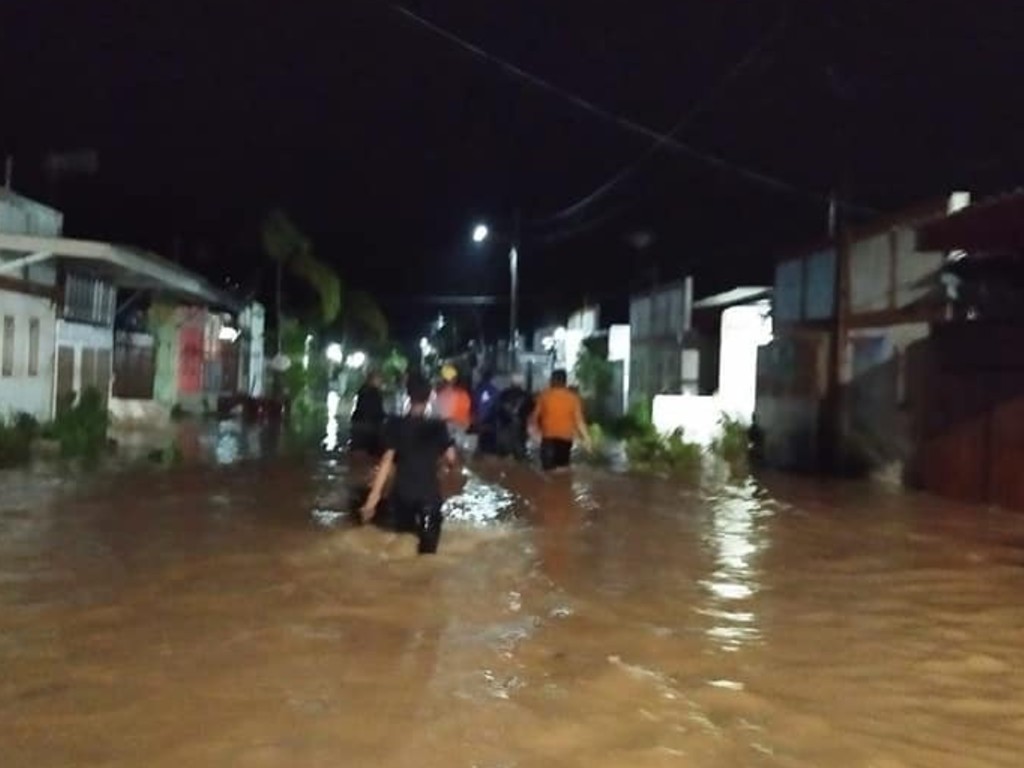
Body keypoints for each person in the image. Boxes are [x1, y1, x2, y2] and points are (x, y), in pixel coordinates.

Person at [360, 374, 460, 554]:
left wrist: (372, 500)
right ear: (429, 396)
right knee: (428, 558)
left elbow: (386, 461)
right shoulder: (438, 427)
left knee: (400, 549)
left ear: (408, 395)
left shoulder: (394, 425)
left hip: (402, 497)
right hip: (429, 498)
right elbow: (451, 459)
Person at [530, 368, 592, 471]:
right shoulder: (573, 398)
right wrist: (587, 439)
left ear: (552, 380)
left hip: (548, 438)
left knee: (547, 472)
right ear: (565, 382)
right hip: (565, 440)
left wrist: (534, 434)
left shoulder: (544, 396)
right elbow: (579, 421)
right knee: (562, 471)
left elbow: (534, 418)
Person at [495, 373, 532, 460]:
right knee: (519, 457)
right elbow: (531, 413)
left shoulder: (503, 394)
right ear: (522, 383)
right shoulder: (526, 396)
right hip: (520, 431)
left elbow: (497, 410)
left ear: (511, 382)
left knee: (503, 458)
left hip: (504, 429)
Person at [349, 370, 386, 456]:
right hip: (369, 428)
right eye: (379, 379)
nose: (381, 382)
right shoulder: (375, 393)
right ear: (373, 380)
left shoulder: (362, 390)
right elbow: (377, 412)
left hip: (359, 425)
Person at [472, 369, 500, 455]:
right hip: (490, 420)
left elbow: (474, 404)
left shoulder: (477, 389)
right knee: (490, 442)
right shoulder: (495, 391)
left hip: (479, 420)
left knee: (480, 441)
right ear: (491, 379)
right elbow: (497, 406)